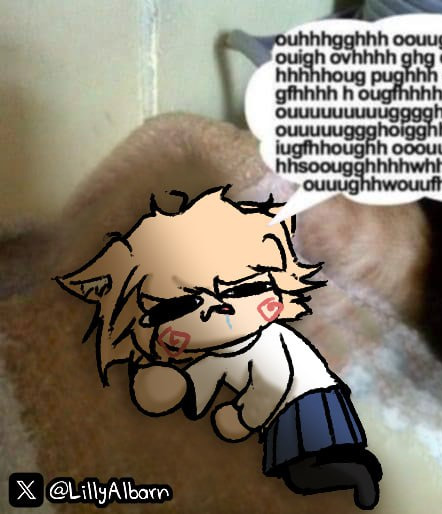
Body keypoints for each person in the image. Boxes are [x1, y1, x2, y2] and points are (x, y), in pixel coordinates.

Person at [56, 185, 382, 509]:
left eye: (241, 290)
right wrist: (173, 385)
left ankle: (359, 470)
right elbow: (205, 376)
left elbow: (271, 385)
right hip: (293, 404)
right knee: (300, 471)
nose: (215, 310)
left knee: (301, 475)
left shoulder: (262, 342)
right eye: (183, 305)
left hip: (305, 401)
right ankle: (353, 467)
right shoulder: (226, 348)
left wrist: (244, 418)